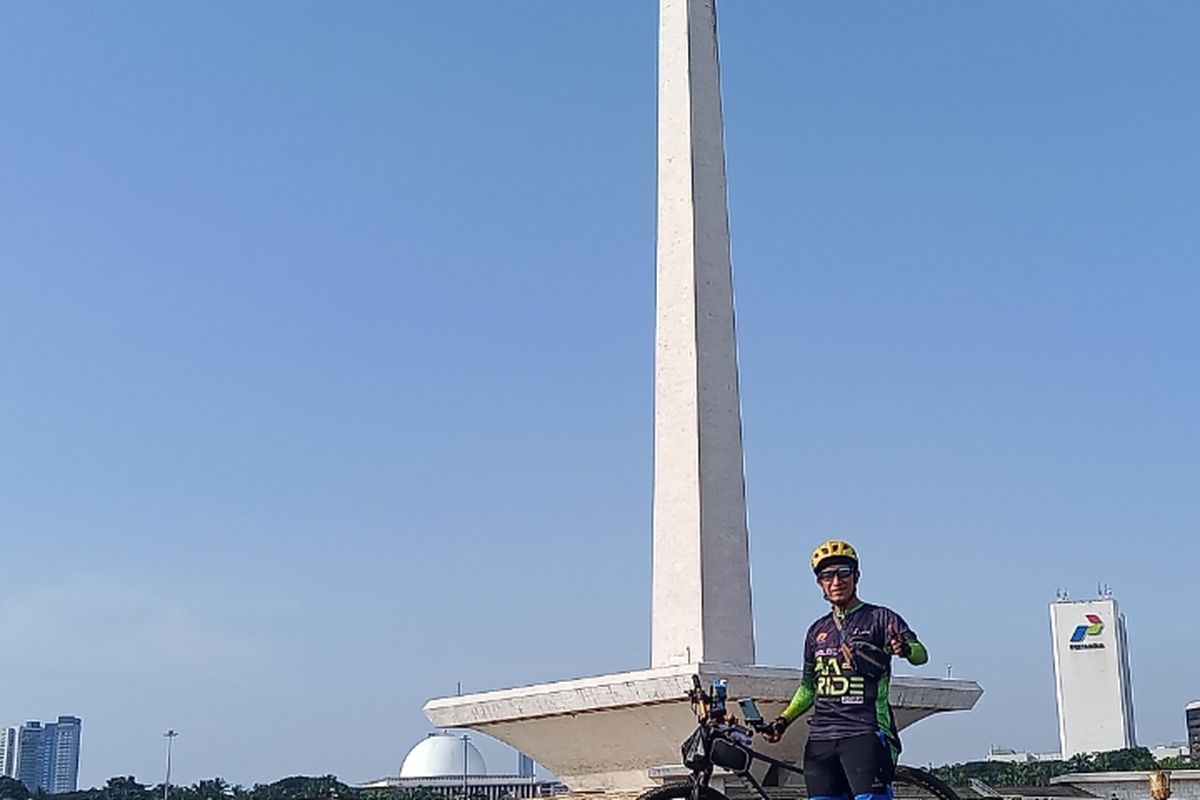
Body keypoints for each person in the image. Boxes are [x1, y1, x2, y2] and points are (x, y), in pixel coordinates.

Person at [762, 539, 929, 800]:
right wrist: (783, 720)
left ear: (856, 576)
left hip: (864, 731)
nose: (836, 581)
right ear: (820, 583)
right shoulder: (816, 631)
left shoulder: (881, 618)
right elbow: (808, 687)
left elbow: (921, 655)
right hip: (821, 740)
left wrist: (904, 648)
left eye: (843, 573)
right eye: (827, 576)